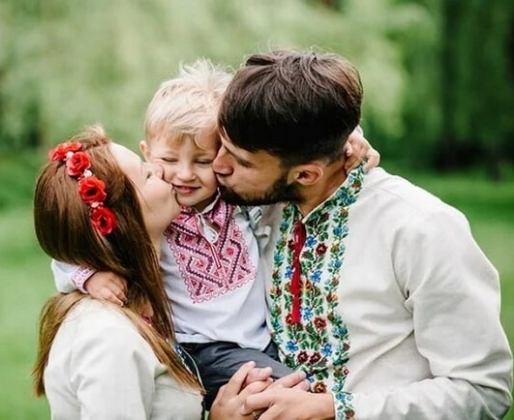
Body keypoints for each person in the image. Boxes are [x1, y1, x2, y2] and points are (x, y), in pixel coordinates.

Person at [50, 59, 378, 409]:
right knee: (294, 397)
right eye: (169, 161)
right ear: (147, 153)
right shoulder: (157, 212)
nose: (184, 175)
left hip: (262, 340)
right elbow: (77, 248)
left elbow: (289, 152)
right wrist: (90, 277)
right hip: (202, 349)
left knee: (316, 384)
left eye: (203, 161)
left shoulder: (238, 200)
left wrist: (346, 142)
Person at [209, 49, 513, 419]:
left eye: (240, 161)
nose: (217, 165)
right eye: (221, 144)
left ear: (306, 174)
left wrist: (334, 409)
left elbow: (483, 390)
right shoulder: (253, 210)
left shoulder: (421, 229)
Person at [31, 126, 205, 419]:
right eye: (146, 174)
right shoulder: (109, 339)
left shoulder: (142, 304)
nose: (159, 169)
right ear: (123, 220)